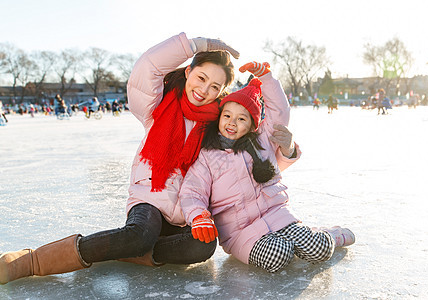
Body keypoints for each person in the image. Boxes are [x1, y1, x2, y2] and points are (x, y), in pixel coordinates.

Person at [0, 33, 244, 284]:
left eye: (215, 87)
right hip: (149, 198)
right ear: (188, 72)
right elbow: (148, 67)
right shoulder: (157, 105)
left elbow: (245, 157)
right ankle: (34, 260)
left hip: (185, 211)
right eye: (201, 78)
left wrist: (285, 148)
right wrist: (196, 45)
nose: (204, 90)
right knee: (139, 235)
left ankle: (127, 251)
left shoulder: (218, 126)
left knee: (203, 246)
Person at [180, 62, 355, 273]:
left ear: (253, 125)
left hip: (278, 215)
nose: (232, 123)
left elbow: (280, 112)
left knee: (317, 249)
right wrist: (198, 216)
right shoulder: (208, 156)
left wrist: (267, 79)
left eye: (241, 118)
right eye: (227, 116)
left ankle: (327, 236)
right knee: (277, 256)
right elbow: (192, 190)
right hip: (241, 233)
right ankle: (296, 242)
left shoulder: (262, 141)